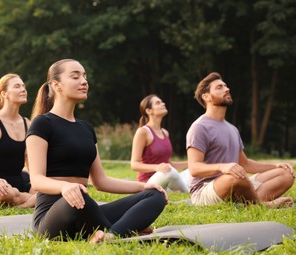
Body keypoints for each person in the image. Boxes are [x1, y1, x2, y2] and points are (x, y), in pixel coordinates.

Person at [26, 59, 167, 243]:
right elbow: (36, 180)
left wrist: (143, 186)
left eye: (84, 76)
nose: (84, 81)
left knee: (155, 196)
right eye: (75, 76)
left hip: (86, 208)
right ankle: (124, 230)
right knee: (80, 197)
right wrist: (65, 187)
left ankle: (109, 235)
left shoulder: (86, 129)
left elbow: (101, 181)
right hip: (53, 216)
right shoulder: (42, 124)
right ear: (56, 85)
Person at [186, 72, 295, 207]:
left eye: (226, 86)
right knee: (236, 177)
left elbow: (245, 164)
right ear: (206, 96)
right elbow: (194, 168)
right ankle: (263, 205)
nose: (227, 89)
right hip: (205, 191)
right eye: (219, 87)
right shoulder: (199, 127)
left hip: (237, 182)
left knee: (286, 174)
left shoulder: (232, 129)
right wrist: (223, 167)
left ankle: (251, 203)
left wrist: (276, 166)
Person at [0, 73, 36, 208]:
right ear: (4, 94)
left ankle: (21, 201)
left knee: (50, 191)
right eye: (17, 86)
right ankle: (28, 202)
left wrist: (34, 184)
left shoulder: (28, 123)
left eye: (23, 86)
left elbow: (31, 163)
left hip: (20, 184)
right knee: (2, 194)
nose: (23, 89)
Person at [131, 94, 190, 193]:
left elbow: (168, 164)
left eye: (162, 102)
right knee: (170, 172)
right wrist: (157, 167)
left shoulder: (165, 132)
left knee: (192, 171)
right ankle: (189, 193)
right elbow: (134, 164)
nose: (163, 104)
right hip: (148, 182)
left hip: (167, 177)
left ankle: (180, 190)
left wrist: (192, 164)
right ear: (149, 111)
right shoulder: (143, 132)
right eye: (158, 103)